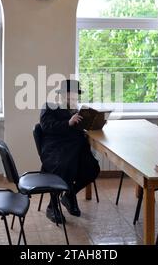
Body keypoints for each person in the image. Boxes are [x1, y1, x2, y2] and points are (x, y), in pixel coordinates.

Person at [40, 79, 100, 223]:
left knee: (92, 169)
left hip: (77, 148)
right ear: (61, 95)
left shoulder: (78, 110)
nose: (71, 98)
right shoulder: (49, 106)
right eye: (68, 95)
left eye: (74, 96)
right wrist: (68, 122)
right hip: (56, 149)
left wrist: (95, 123)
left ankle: (69, 194)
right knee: (65, 167)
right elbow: (46, 126)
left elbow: (80, 128)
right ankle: (52, 206)